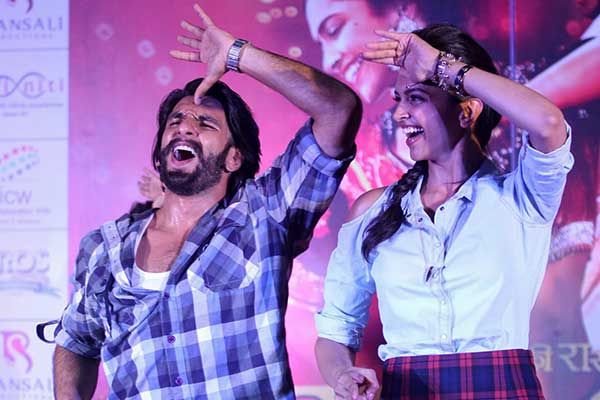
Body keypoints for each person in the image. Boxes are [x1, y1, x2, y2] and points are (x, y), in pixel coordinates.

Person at [52, 4, 361, 399]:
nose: (185, 127)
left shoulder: (265, 213)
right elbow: (76, 342)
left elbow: (338, 109)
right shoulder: (104, 247)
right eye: (176, 121)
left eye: (205, 123)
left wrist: (236, 55)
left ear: (234, 158)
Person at [315, 23, 571, 399]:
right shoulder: (372, 211)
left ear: (467, 112)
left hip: (502, 388)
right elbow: (336, 328)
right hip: (408, 390)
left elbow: (548, 124)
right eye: (398, 99)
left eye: (416, 98)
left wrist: (441, 66)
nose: (399, 114)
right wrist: (342, 375)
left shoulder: (520, 197)